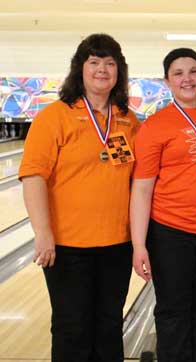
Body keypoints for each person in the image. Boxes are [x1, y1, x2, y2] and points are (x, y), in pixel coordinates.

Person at [19, 33, 139, 362]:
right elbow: (33, 177)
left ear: (119, 71)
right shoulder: (54, 116)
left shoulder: (128, 120)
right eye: (95, 62)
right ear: (80, 69)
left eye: (110, 63)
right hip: (68, 246)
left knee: (109, 327)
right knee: (73, 329)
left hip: (117, 243)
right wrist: (43, 234)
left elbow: (140, 181)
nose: (102, 69)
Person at [130, 48, 196, 362]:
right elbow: (142, 189)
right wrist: (139, 245)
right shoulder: (155, 126)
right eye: (178, 73)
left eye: (193, 71)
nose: (187, 78)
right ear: (167, 81)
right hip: (171, 232)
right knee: (174, 309)